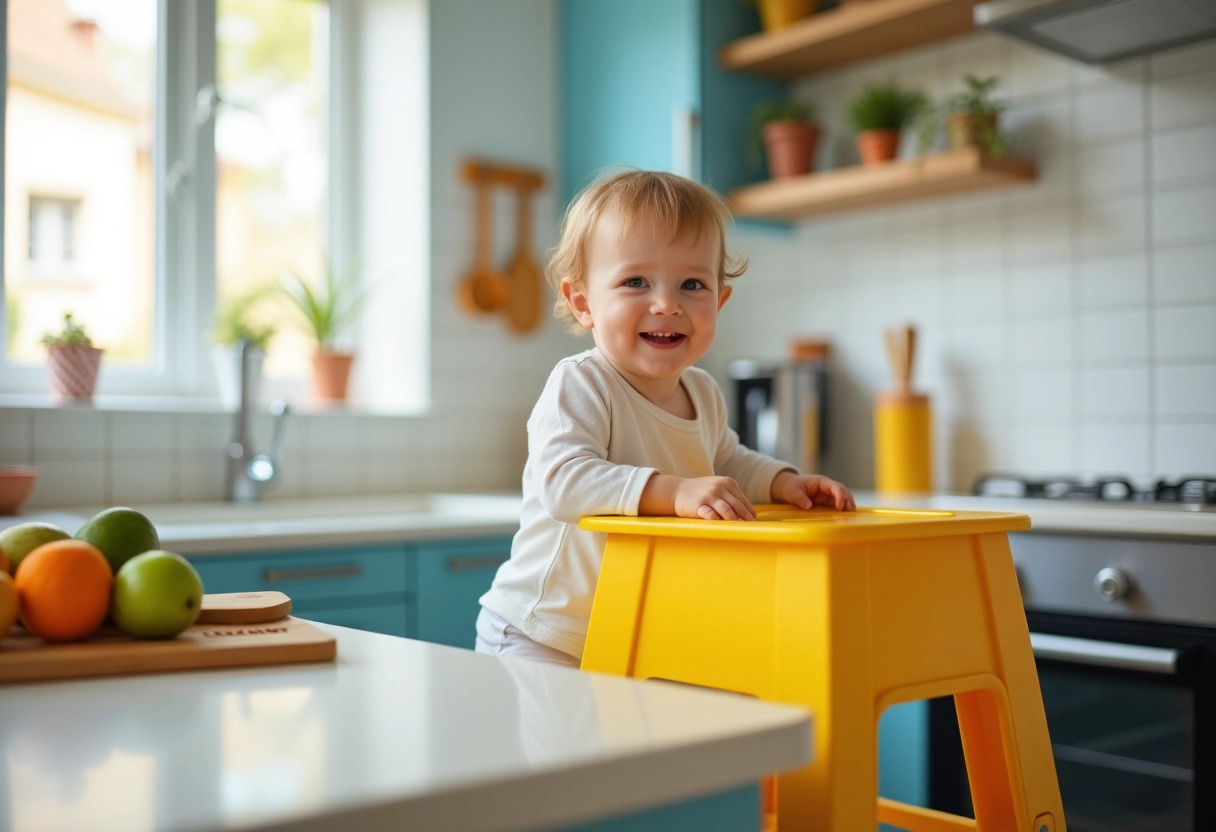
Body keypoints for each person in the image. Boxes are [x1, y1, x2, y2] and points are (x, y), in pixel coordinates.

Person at [476, 169, 855, 669]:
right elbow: (564, 482)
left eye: (692, 284)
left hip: (628, 632)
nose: (667, 304)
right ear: (583, 303)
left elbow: (726, 462)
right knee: (553, 750)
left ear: (719, 301)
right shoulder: (583, 383)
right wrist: (675, 492)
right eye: (636, 281)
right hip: (541, 631)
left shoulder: (702, 392)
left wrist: (786, 482)